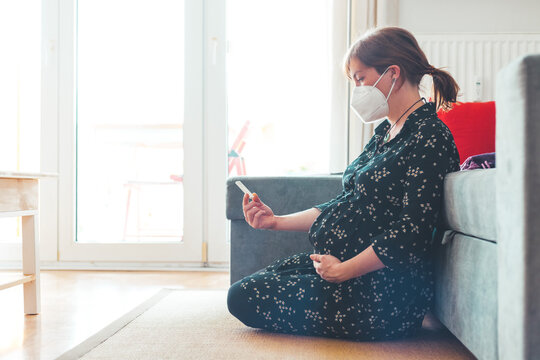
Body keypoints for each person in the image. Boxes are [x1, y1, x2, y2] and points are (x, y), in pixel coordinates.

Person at [227, 26, 461, 341]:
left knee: (242, 298)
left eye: (361, 78)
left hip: (384, 292)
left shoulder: (429, 136)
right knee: (248, 287)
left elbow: (413, 232)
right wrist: (275, 222)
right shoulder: (385, 133)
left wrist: (344, 270)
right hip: (342, 269)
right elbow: (344, 203)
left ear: (392, 73)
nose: (357, 89)